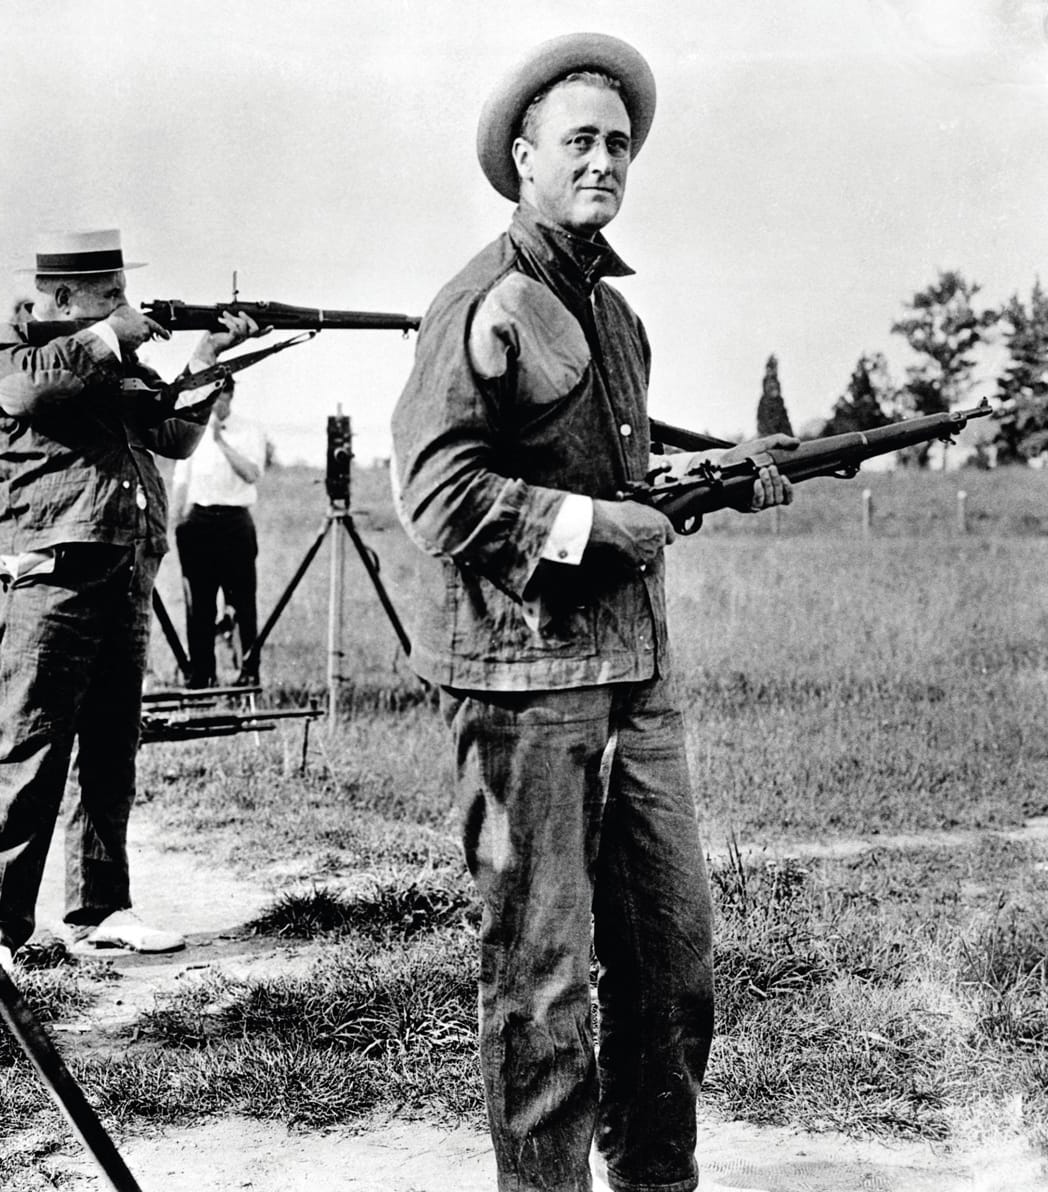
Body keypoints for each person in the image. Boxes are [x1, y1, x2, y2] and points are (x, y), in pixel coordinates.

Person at [390, 34, 795, 1192]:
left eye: (619, 143)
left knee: (674, 963)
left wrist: (727, 471)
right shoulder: (481, 302)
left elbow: (626, 475)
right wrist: (588, 528)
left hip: (637, 677)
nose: (605, 160)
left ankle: (657, 1179)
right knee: (544, 979)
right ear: (524, 158)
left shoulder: (618, 323)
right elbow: (437, 491)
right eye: (580, 141)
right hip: (524, 691)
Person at [0, 228, 258, 969]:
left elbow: (172, 434)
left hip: (126, 572)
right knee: (31, 750)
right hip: (51, 578)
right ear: (65, 297)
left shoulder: (109, 358)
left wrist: (204, 362)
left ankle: (99, 911)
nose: (127, 307)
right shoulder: (6, 351)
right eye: (112, 295)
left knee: (109, 753)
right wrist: (107, 336)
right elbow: (26, 393)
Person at [171, 377, 268, 688]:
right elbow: (181, 481)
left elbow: (252, 473)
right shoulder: (192, 430)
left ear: (229, 396)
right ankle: (201, 676)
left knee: (242, 603)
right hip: (198, 521)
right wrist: (175, 521)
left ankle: (247, 675)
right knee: (198, 605)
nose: (212, 406)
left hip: (235, 522)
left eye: (218, 399)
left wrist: (221, 441)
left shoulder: (249, 430)